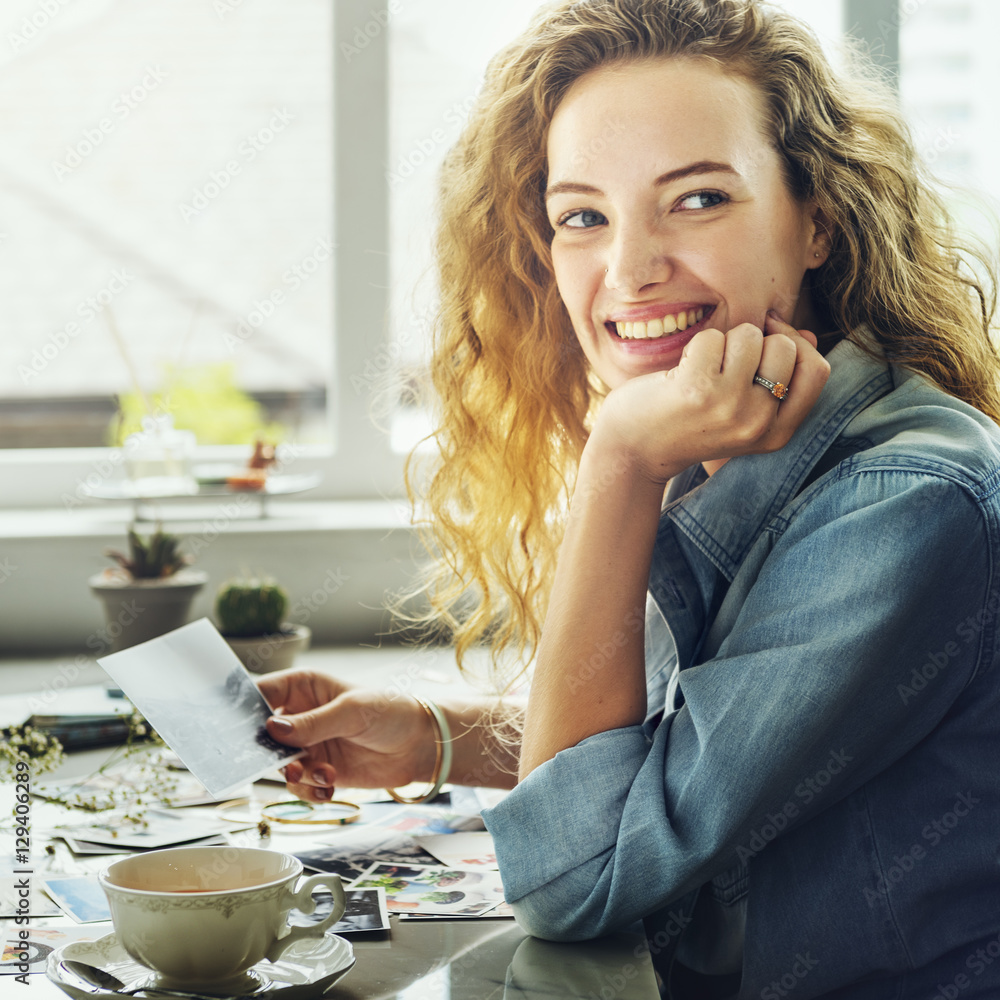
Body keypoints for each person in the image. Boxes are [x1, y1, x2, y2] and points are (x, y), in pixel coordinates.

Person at [257, 1, 1000, 997]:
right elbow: (682, 754)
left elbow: (573, 881)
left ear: (815, 218)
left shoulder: (902, 504)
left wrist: (616, 463)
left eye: (695, 199)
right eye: (583, 216)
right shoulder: (727, 441)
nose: (630, 269)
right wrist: (438, 736)